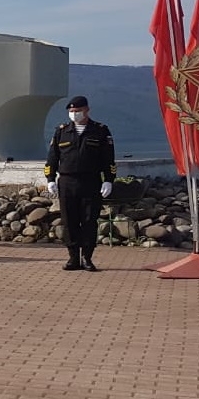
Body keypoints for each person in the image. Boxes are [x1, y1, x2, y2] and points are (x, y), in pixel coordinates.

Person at [45, 95, 116, 272]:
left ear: (86, 110)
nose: (74, 114)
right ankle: (73, 257)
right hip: (67, 182)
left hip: (90, 182)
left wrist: (108, 180)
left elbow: (108, 159)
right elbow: (53, 157)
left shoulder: (100, 131)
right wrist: (50, 178)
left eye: (77, 111)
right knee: (69, 221)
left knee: (89, 221)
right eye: (71, 112)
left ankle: (87, 257)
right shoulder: (61, 131)